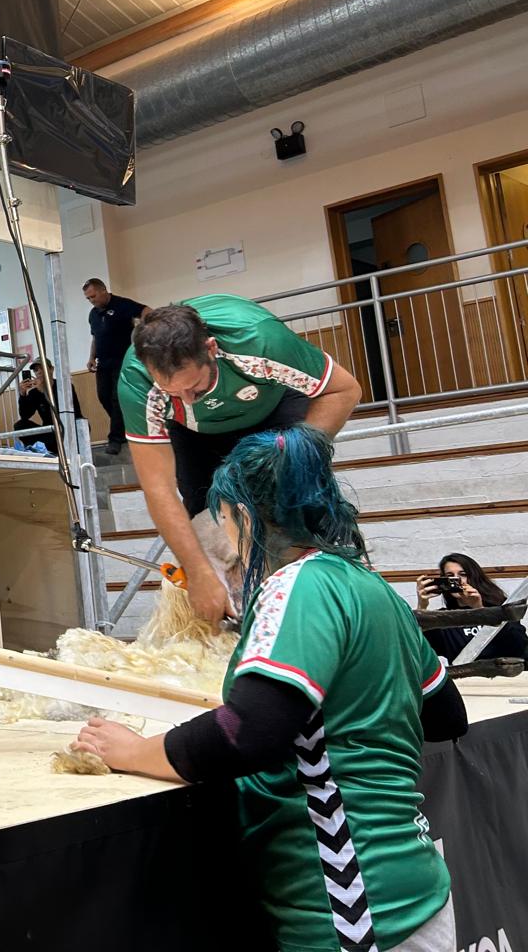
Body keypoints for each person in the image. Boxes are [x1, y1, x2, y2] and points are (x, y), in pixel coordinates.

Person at [73, 426, 467, 952]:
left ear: (242, 514)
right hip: (415, 884)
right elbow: (446, 715)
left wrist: (137, 750)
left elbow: (250, 731)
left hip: (349, 903)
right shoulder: (374, 589)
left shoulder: (293, 585)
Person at [119, 296, 362, 622]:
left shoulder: (259, 341)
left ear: (211, 349)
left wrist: (291, 458)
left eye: (193, 386)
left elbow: (344, 391)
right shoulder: (136, 379)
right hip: (196, 434)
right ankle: (239, 620)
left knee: (298, 503)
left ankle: (325, 609)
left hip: (272, 410)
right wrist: (199, 573)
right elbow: (158, 488)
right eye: (172, 392)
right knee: (206, 522)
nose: (187, 399)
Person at [418, 552, 528, 662]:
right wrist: (422, 607)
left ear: (474, 577)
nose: (457, 580)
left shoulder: (500, 609)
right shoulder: (443, 618)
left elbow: (519, 645)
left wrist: (479, 608)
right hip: (465, 677)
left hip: (505, 675)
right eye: (450, 576)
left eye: (463, 574)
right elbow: (418, 649)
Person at [82, 277, 145, 454]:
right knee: (104, 396)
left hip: (123, 360)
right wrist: (91, 357)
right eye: (88, 298)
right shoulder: (93, 314)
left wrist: (145, 332)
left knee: (118, 398)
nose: (92, 301)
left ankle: (116, 438)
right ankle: (125, 429)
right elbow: (95, 337)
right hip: (104, 362)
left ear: (104, 290)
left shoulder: (122, 304)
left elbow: (147, 311)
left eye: (93, 296)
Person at [12, 364, 57, 453]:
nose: (39, 372)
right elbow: (25, 415)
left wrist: (44, 391)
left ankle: (48, 448)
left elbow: (59, 412)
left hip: (65, 428)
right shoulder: (34, 392)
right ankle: (41, 449)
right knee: (20, 425)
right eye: (36, 370)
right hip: (48, 432)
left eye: (43, 368)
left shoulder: (62, 386)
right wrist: (23, 394)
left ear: (51, 369)